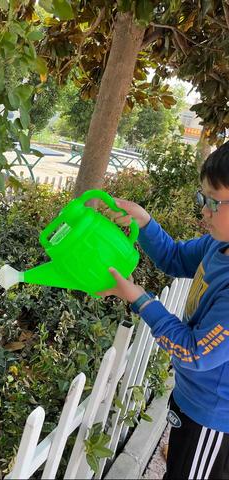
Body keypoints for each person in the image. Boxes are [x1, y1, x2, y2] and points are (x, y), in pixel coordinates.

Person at [97, 142, 229, 479]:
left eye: (214, 202)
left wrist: (141, 299)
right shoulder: (219, 244)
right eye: (203, 199)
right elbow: (174, 257)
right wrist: (143, 221)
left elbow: (194, 351)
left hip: (213, 418)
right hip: (193, 400)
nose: (204, 211)